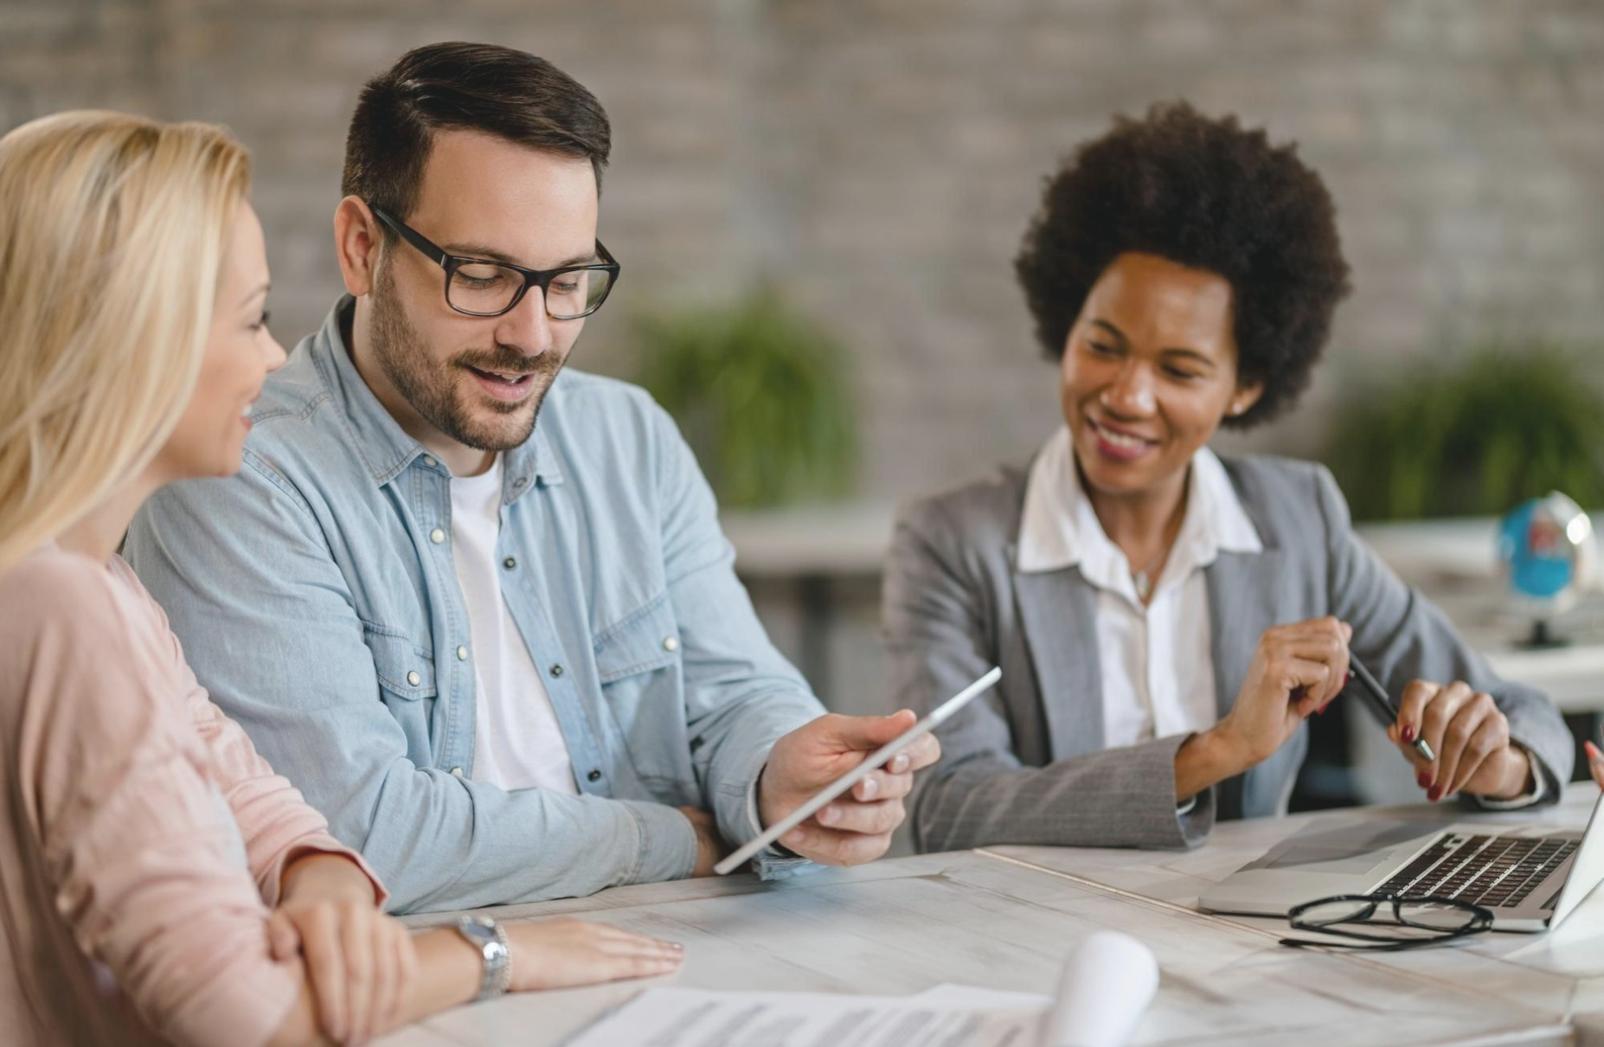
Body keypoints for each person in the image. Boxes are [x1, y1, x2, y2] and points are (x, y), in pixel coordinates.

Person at [123, 42, 937, 915]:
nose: (533, 333)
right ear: (364, 248)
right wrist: (684, 837)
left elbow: (734, 688)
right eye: (482, 274)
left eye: (569, 281)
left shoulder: (629, 439)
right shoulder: (240, 472)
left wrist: (783, 774)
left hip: (673, 947)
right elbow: (356, 832)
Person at [0, 110, 687, 1047]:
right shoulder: (58, 605)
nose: (274, 357)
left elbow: (248, 789)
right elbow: (244, 1013)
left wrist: (318, 878)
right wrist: (494, 954)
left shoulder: (97, 584)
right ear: (133, 341)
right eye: (249, 320)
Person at [884, 102, 1573, 854]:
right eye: (1103, 345)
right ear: (1065, 324)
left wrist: (1495, 761)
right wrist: (1215, 751)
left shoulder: (1297, 519)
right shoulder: (953, 543)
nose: (1126, 395)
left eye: (1179, 369)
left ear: (1246, 386)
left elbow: (1525, 716)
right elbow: (947, 806)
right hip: (1038, 947)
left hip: (1246, 950)